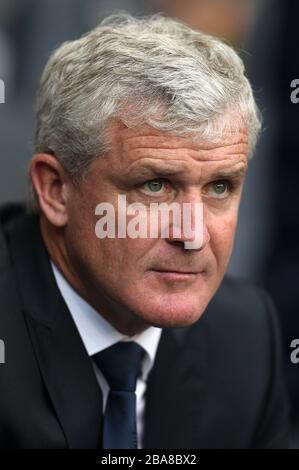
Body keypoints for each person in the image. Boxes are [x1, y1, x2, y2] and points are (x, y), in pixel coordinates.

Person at [0, 13, 289, 449]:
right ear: (56, 190)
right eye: (154, 186)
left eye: (219, 187)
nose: (192, 234)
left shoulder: (245, 335)